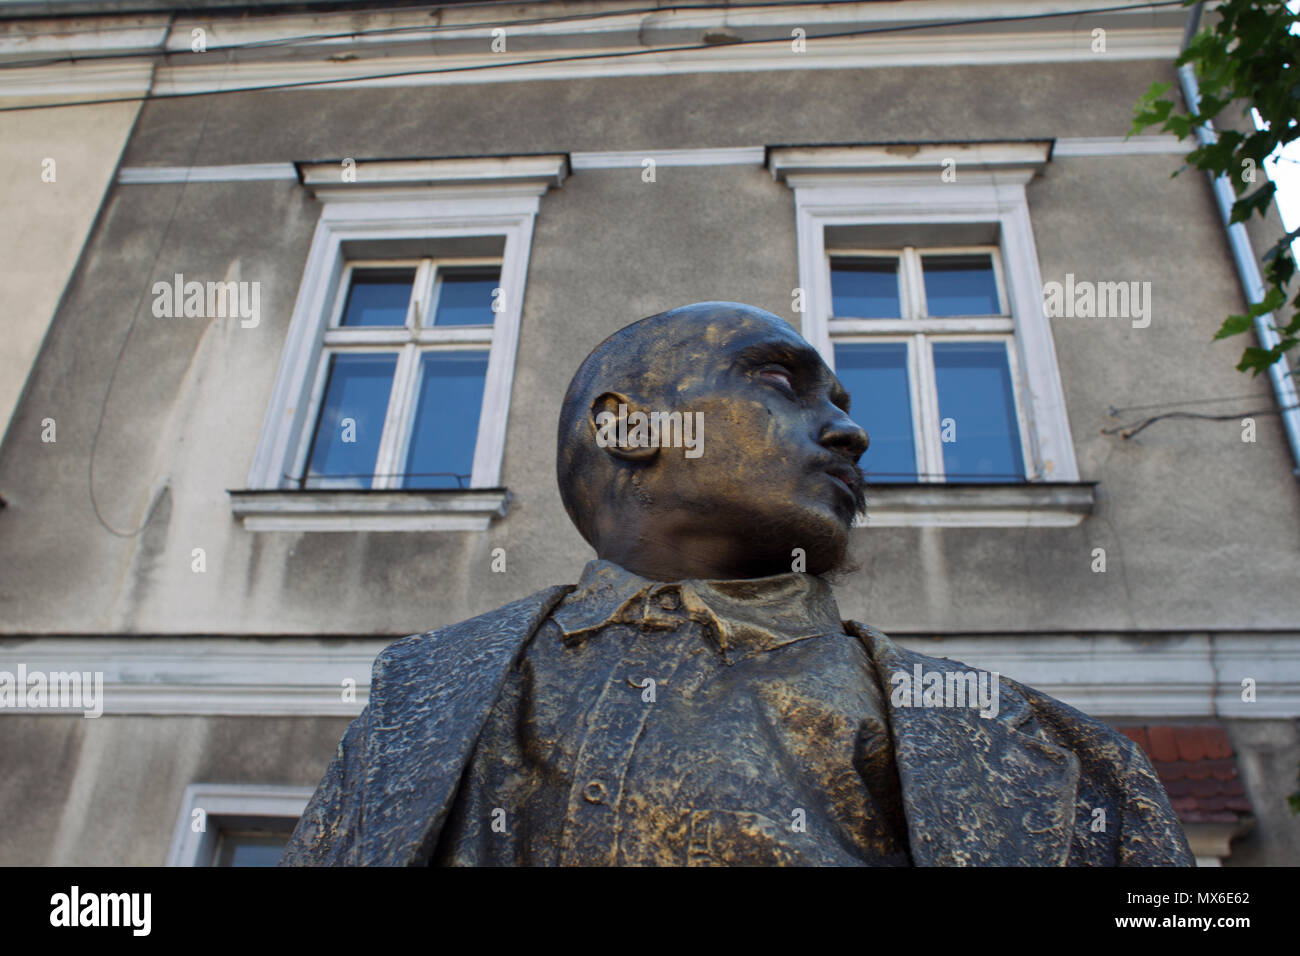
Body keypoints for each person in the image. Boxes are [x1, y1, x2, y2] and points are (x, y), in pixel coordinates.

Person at [280, 301, 1192, 866]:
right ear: (630, 428)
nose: (848, 433)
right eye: (779, 383)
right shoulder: (421, 707)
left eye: (841, 405)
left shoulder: (1044, 758)